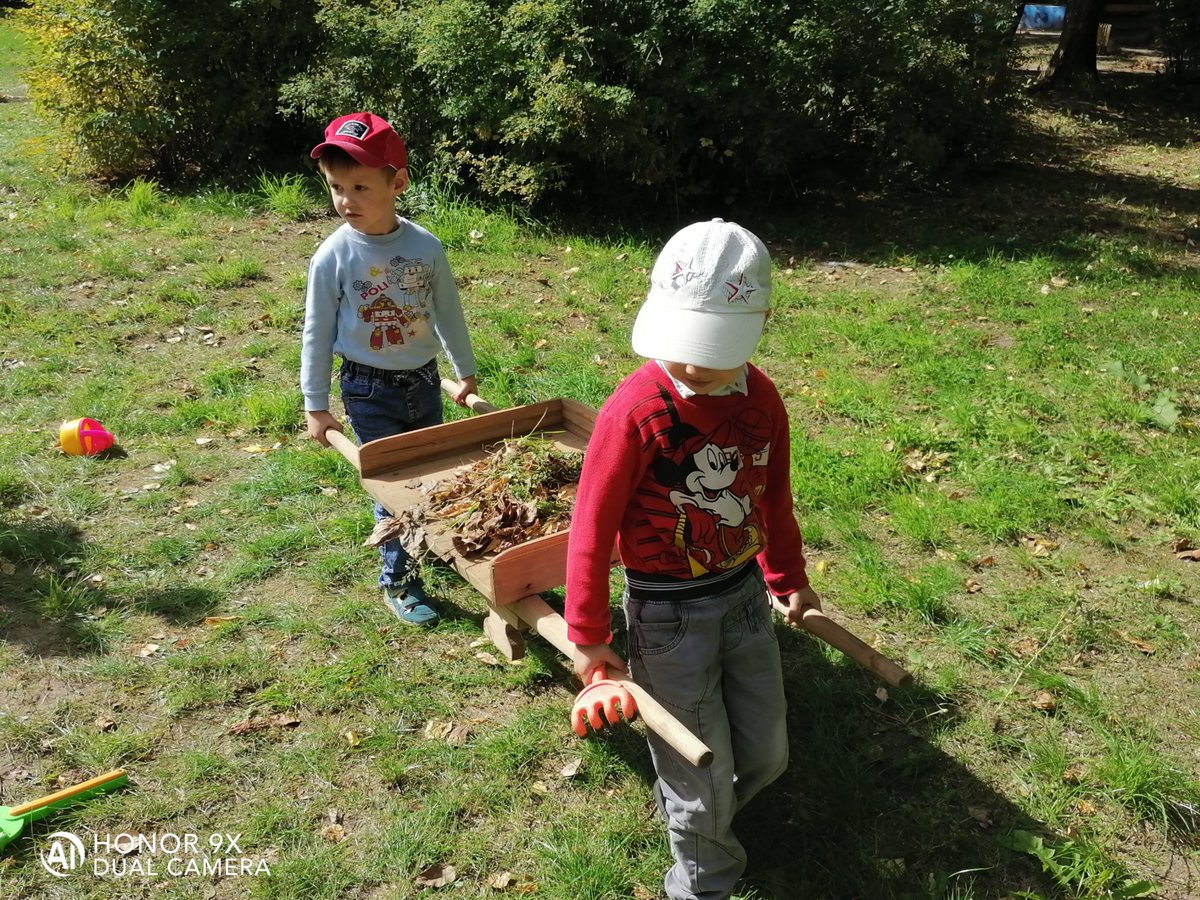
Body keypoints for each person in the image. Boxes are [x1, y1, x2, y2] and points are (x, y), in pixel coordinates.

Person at [565, 219, 820, 900]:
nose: (692, 364)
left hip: (741, 599)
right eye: (680, 342)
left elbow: (774, 497)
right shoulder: (636, 410)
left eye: (711, 347)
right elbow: (591, 524)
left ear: (760, 321)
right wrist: (587, 634)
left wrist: (789, 578)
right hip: (666, 615)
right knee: (697, 772)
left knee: (767, 751)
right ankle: (702, 878)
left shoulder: (761, 401)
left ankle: (705, 817)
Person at [301, 111, 478, 627]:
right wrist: (316, 405)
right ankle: (399, 580)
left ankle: (428, 543)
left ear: (397, 182)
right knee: (391, 488)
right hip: (366, 385)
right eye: (336, 187)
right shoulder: (333, 256)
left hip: (422, 380)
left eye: (359, 185)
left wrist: (464, 373)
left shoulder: (424, 248)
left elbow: (448, 312)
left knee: (429, 476)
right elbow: (316, 332)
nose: (345, 200)